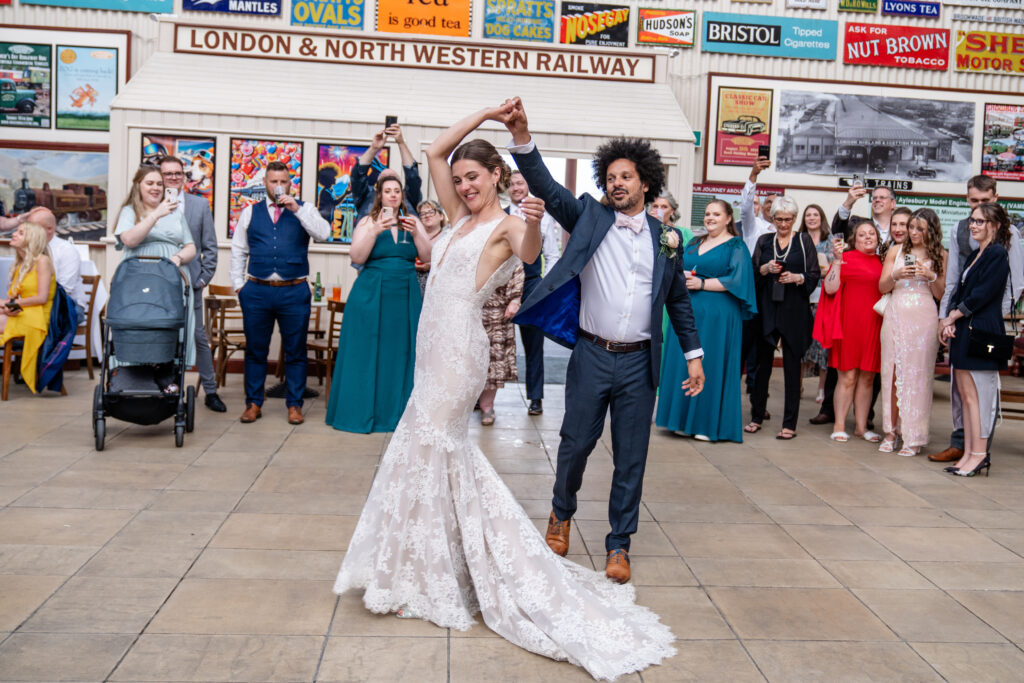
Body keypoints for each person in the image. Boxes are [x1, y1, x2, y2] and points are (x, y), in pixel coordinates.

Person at [336, 103, 678, 681]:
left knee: (432, 443)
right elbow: (436, 151)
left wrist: (534, 214)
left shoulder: (510, 224)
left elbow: (529, 254)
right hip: (429, 342)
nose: (465, 185)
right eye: (462, 179)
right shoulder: (453, 214)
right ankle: (422, 562)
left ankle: (432, 570)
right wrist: (487, 115)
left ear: (497, 176)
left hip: (460, 350)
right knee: (427, 451)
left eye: (477, 176)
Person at [507, 98, 704, 585]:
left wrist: (694, 356)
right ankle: (560, 514)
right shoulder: (590, 218)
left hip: (640, 362)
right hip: (593, 354)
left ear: (645, 183)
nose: (617, 183)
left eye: (626, 177)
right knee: (575, 443)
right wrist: (522, 138)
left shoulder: (667, 239)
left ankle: (619, 544)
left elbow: (677, 301)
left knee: (631, 455)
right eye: (610, 176)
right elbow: (549, 188)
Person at [325, 172, 432, 433]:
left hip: (405, 292)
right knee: (366, 351)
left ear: (402, 195)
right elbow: (358, 257)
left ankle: (398, 414)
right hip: (372, 292)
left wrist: (417, 233)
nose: (393, 195)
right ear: (380, 195)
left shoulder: (412, 221)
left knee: (402, 352)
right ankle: (362, 412)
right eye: (388, 191)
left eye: (397, 190)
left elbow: (429, 256)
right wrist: (374, 230)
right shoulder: (367, 221)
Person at [928, 176, 1024, 463]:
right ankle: (962, 443)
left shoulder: (1010, 235)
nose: (979, 206)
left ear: (995, 197)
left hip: (986, 320)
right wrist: (944, 318)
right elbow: (955, 281)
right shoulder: (961, 229)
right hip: (961, 320)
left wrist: (993, 316)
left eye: (985, 201)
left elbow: (1015, 283)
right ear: (967, 199)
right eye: (974, 201)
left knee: (984, 387)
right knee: (961, 386)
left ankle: (980, 449)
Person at [229, 161, 330, 426]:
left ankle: (294, 405)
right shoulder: (250, 212)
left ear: (290, 183)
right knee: (255, 350)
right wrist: (239, 286)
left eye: (283, 181)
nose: (278, 186)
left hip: (294, 290)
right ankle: (253, 404)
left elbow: (323, 234)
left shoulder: (305, 208)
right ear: (265, 183)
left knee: (295, 350)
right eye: (273, 181)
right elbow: (239, 250)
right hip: (257, 290)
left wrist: (296, 210)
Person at [656, 200, 755, 442]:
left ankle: (707, 424)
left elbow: (738, 279)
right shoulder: (693, 242)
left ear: (728, 218)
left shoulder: (736, 245)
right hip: (687, 311)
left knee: (709, 363)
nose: (710, 218)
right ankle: (677, 420)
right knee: (682, 362)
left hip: (718, 316)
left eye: (716, 214)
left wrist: (702, 283)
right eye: (708, 214)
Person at [938, 202, 1013, 477]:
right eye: (972, 220)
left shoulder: (997, 254)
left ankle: (980, 454)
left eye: (980, 221)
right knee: (966, 397)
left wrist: (953, 316)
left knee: (980, 398)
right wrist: (949, 320)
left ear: (995, 225)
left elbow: (982, 294)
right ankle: (968, 452)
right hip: (964, 330)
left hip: (982, 331)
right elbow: (959, 288)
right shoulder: (974, 255)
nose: (973, 225)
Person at [115, 165, 197, 383]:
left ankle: (168, 380)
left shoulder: (176, 213)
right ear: (138, 186)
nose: (156, 188)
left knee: (169, 323)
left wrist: (178, 258)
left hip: (171, 278)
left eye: (159, 184)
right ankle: (134, 379)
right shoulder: (129, 211)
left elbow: (191, 247)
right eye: (149, 183)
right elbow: (129, 240)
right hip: (139, 277)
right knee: (141, 321)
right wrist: (156, 215)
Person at [748, 196, 820, 439]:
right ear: (773, 218)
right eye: (778, 219)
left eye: (788, 219)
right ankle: (757, 415)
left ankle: (790, 423)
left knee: (791, 367)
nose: (783, 224)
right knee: (762, 365)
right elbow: (752, 272)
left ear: (794, 219)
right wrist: (765, 269)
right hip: (767, 307)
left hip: (794, 308)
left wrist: (797, 278)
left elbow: (813, 273)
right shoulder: (764, 240)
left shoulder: (803, 240)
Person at [159, 155, 225, 413]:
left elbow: (210, 246)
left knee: (198, 337)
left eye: (178, 173)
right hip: (161, 283)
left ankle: (210, 391)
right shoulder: (152, 203)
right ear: (160, 176)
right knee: (164, 334)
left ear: (184, 177)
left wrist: (203, 278)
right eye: (168, 174)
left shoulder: (199, 206)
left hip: (191, 283)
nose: (173, 178)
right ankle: (165, 388)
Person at [878, 208, 946, 456]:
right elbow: (882, 286)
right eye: (911, 227)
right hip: (896, 313)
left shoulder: (940, 253)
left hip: (923, 318)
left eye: (920, 228)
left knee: (918, 376)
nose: (914, 232)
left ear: (931, 231)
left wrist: (930, 275)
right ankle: (890, 431)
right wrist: (895, 274)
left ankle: (914, 435)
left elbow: (940, 294)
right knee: (892, 372)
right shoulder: (896, 251)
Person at [815, 221, 883, 443]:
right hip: (849, 325)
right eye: (862, 234)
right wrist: (836, 261)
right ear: (854, 239)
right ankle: (839, 425)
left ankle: (862, 427)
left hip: (874, 325)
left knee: (867, 378)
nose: (867, 237)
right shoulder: (846, 258)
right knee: (848, 377)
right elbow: (830, 288)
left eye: (871, 233)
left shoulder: (883, 261)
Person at [508, 169, 562, 416]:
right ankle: (483, 398)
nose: (515, 187)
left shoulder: (542, 215)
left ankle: (536, 397)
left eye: (519, 183)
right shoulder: (501, 214)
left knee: (533, 344)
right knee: (493, 340)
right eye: (511, 184)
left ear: (527, 185)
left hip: (531, 283)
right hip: (502, 285)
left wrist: (543, 287)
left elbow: (552, 255)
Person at [0, 221, 56, 394]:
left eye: (21, 232)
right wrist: (7, 305)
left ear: (31, 239)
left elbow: (41, 297)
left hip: (38, 316)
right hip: (23, 312)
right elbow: (13, 298)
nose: (14, 234)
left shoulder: (42, 261)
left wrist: (13, 305)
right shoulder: (20, 264)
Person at [478, 264, 525, 425]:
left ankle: (487, 406)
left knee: (495, 360)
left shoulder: (505, 240)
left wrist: (515, 299)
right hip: (471, 308)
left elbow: (517, 266)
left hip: (498, 310)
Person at [23, 207, 86, 324]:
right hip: (36, 304)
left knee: (22, 320)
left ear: (50, 229)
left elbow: (65, 289)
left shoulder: (66, 250)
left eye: (33, 227)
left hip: (68, 306)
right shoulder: (27, 249)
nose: (28, 231)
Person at [351, 125, 422, 222]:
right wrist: (374, 148)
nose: (392, 194)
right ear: (378, 188)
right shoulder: (366, 196)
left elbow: (413, 177)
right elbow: (358, 175)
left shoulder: (407, 198)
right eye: (387, 189)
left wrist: (401, 143)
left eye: (396, 189)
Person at [799, 204, 831, 403]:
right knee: (801, 344)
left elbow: (837, 267)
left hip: (824, 297)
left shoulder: (831, 241)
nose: (812, 218)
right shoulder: (799, 240)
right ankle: (799, 385)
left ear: (822, 218)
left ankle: (822, 389)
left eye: (815, 215)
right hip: (803, 296)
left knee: (823, 345)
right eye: (808, 215)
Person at [413, 199, 446, 294]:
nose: (427, 215)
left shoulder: (448, 237)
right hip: (416, 287)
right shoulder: (415, 237)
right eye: (423, 214)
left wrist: (431, 265)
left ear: (441, 216)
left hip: (438, 288)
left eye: (431, 212)